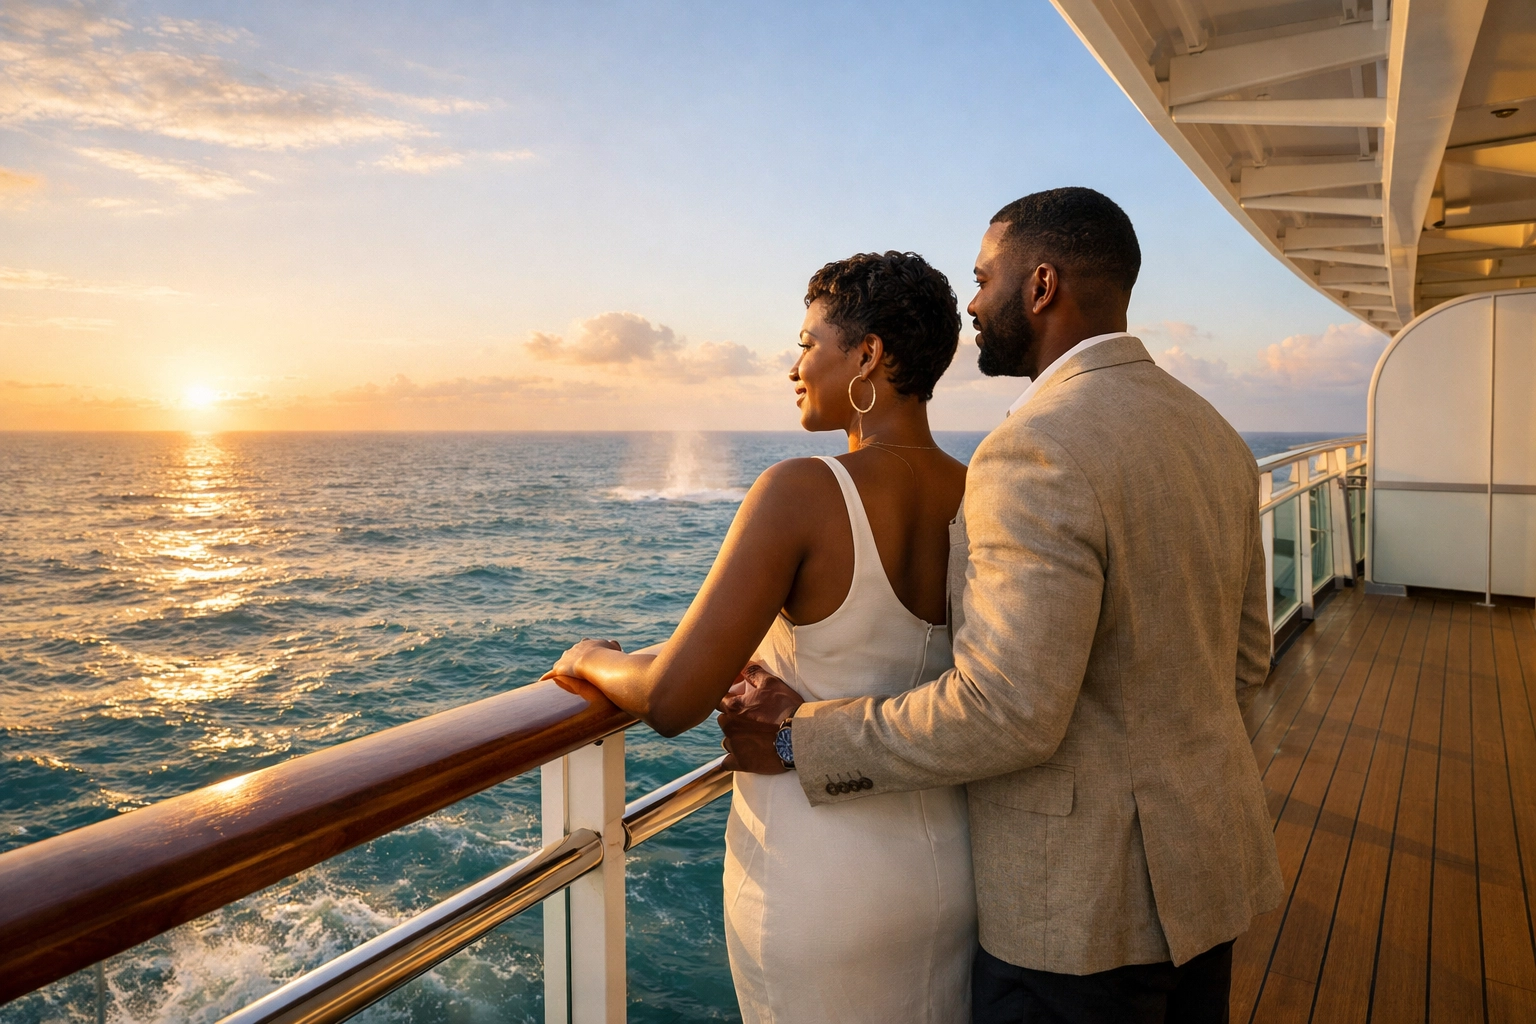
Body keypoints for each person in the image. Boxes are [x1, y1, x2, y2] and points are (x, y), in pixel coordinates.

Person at [717, 188, 1284, 1024]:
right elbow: (1246, 663)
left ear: (1042, 285)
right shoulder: (1213, 433)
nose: (973, 303)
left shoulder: (1035, 448)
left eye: (985, 279)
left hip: (1077, 915)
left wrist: (803, 737)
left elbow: (1008, 712)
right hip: (1206, 882)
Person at [545, 251, 977, 1023]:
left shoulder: (802, 491)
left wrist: (592, 660)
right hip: (949, 868)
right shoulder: (979, 491)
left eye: (809, 343)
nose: (794, 365)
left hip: (820, 884)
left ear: (868, 355)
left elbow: (674, 697)